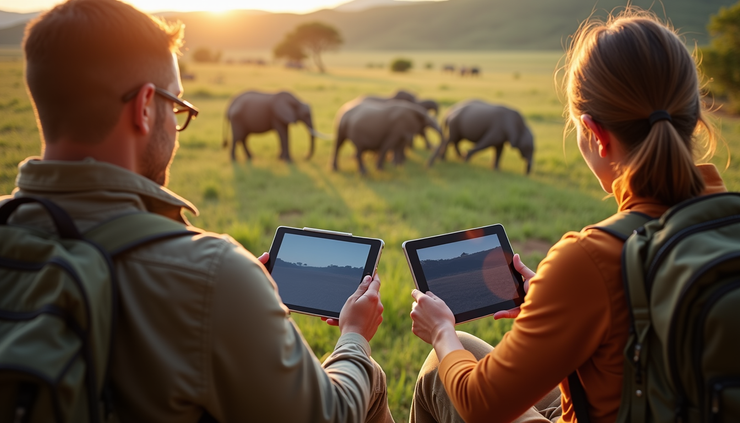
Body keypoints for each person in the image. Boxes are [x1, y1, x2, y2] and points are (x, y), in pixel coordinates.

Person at [2, 0, 394, 421]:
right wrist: (354, 336)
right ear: (145, 107)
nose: (176, 123)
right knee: (368, 378)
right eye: (176, 106)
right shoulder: (212, 271)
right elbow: (326, 416)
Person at [408, 7, 727, 423]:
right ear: (695, 120)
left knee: (444, 365)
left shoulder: (590, 258)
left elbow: (480, 405)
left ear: (594, 133)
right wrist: (554, 305)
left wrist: (440, 332)